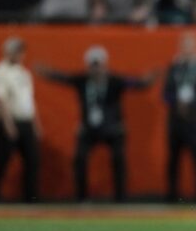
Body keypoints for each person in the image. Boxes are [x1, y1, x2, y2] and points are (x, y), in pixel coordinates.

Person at [35, 45, 153, 202]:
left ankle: (121, 197)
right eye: (93, 65)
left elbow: (132, 83)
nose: (96, 69)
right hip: (89, 130)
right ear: (88, 66)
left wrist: (145, 81)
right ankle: (82, 197)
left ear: (105, 65)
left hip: (113, 129)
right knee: (80, 159)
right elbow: (64, 78)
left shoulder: (114, 80)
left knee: (118, 159)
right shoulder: (82, 80)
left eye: (98, 65)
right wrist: (47, 73)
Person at [0, 37, 41, 202]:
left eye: (21, 51)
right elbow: (0, 100)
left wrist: (36, 123)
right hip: (8, 121)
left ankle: (31, 197)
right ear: (7, 52)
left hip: (26, 121)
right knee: (2, 159)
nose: (20, 54)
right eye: (16, 51)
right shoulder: (0, 72)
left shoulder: (24, 73)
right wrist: (8, 124)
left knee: (33, 160)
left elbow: (29, 100)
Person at [163, 32, 196, 203]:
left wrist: (192, 107)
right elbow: (166, 93)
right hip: (176, 120)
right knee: (173, 160)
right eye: (184, 45)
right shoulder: (175, 67)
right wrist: (176, 104)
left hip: (195, 121)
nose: (187, 49)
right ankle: (172, 195)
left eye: (190, 45)